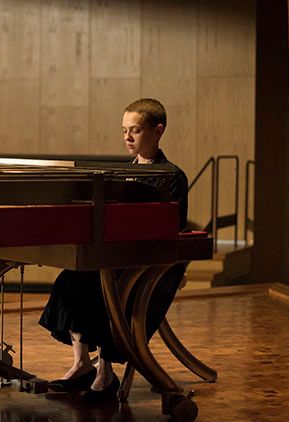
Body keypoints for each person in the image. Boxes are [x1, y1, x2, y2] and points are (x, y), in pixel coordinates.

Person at [38, 98, 188, 400]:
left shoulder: (172, 175)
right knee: (71, 280)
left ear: (157, 131)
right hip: (116, 256)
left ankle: (105, 376)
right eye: (124, 131)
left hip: (144, 265)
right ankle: (82, 365)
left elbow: (171, 230)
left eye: (135, 130)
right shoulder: (121, 172)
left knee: (105, 290)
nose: (127, 138)